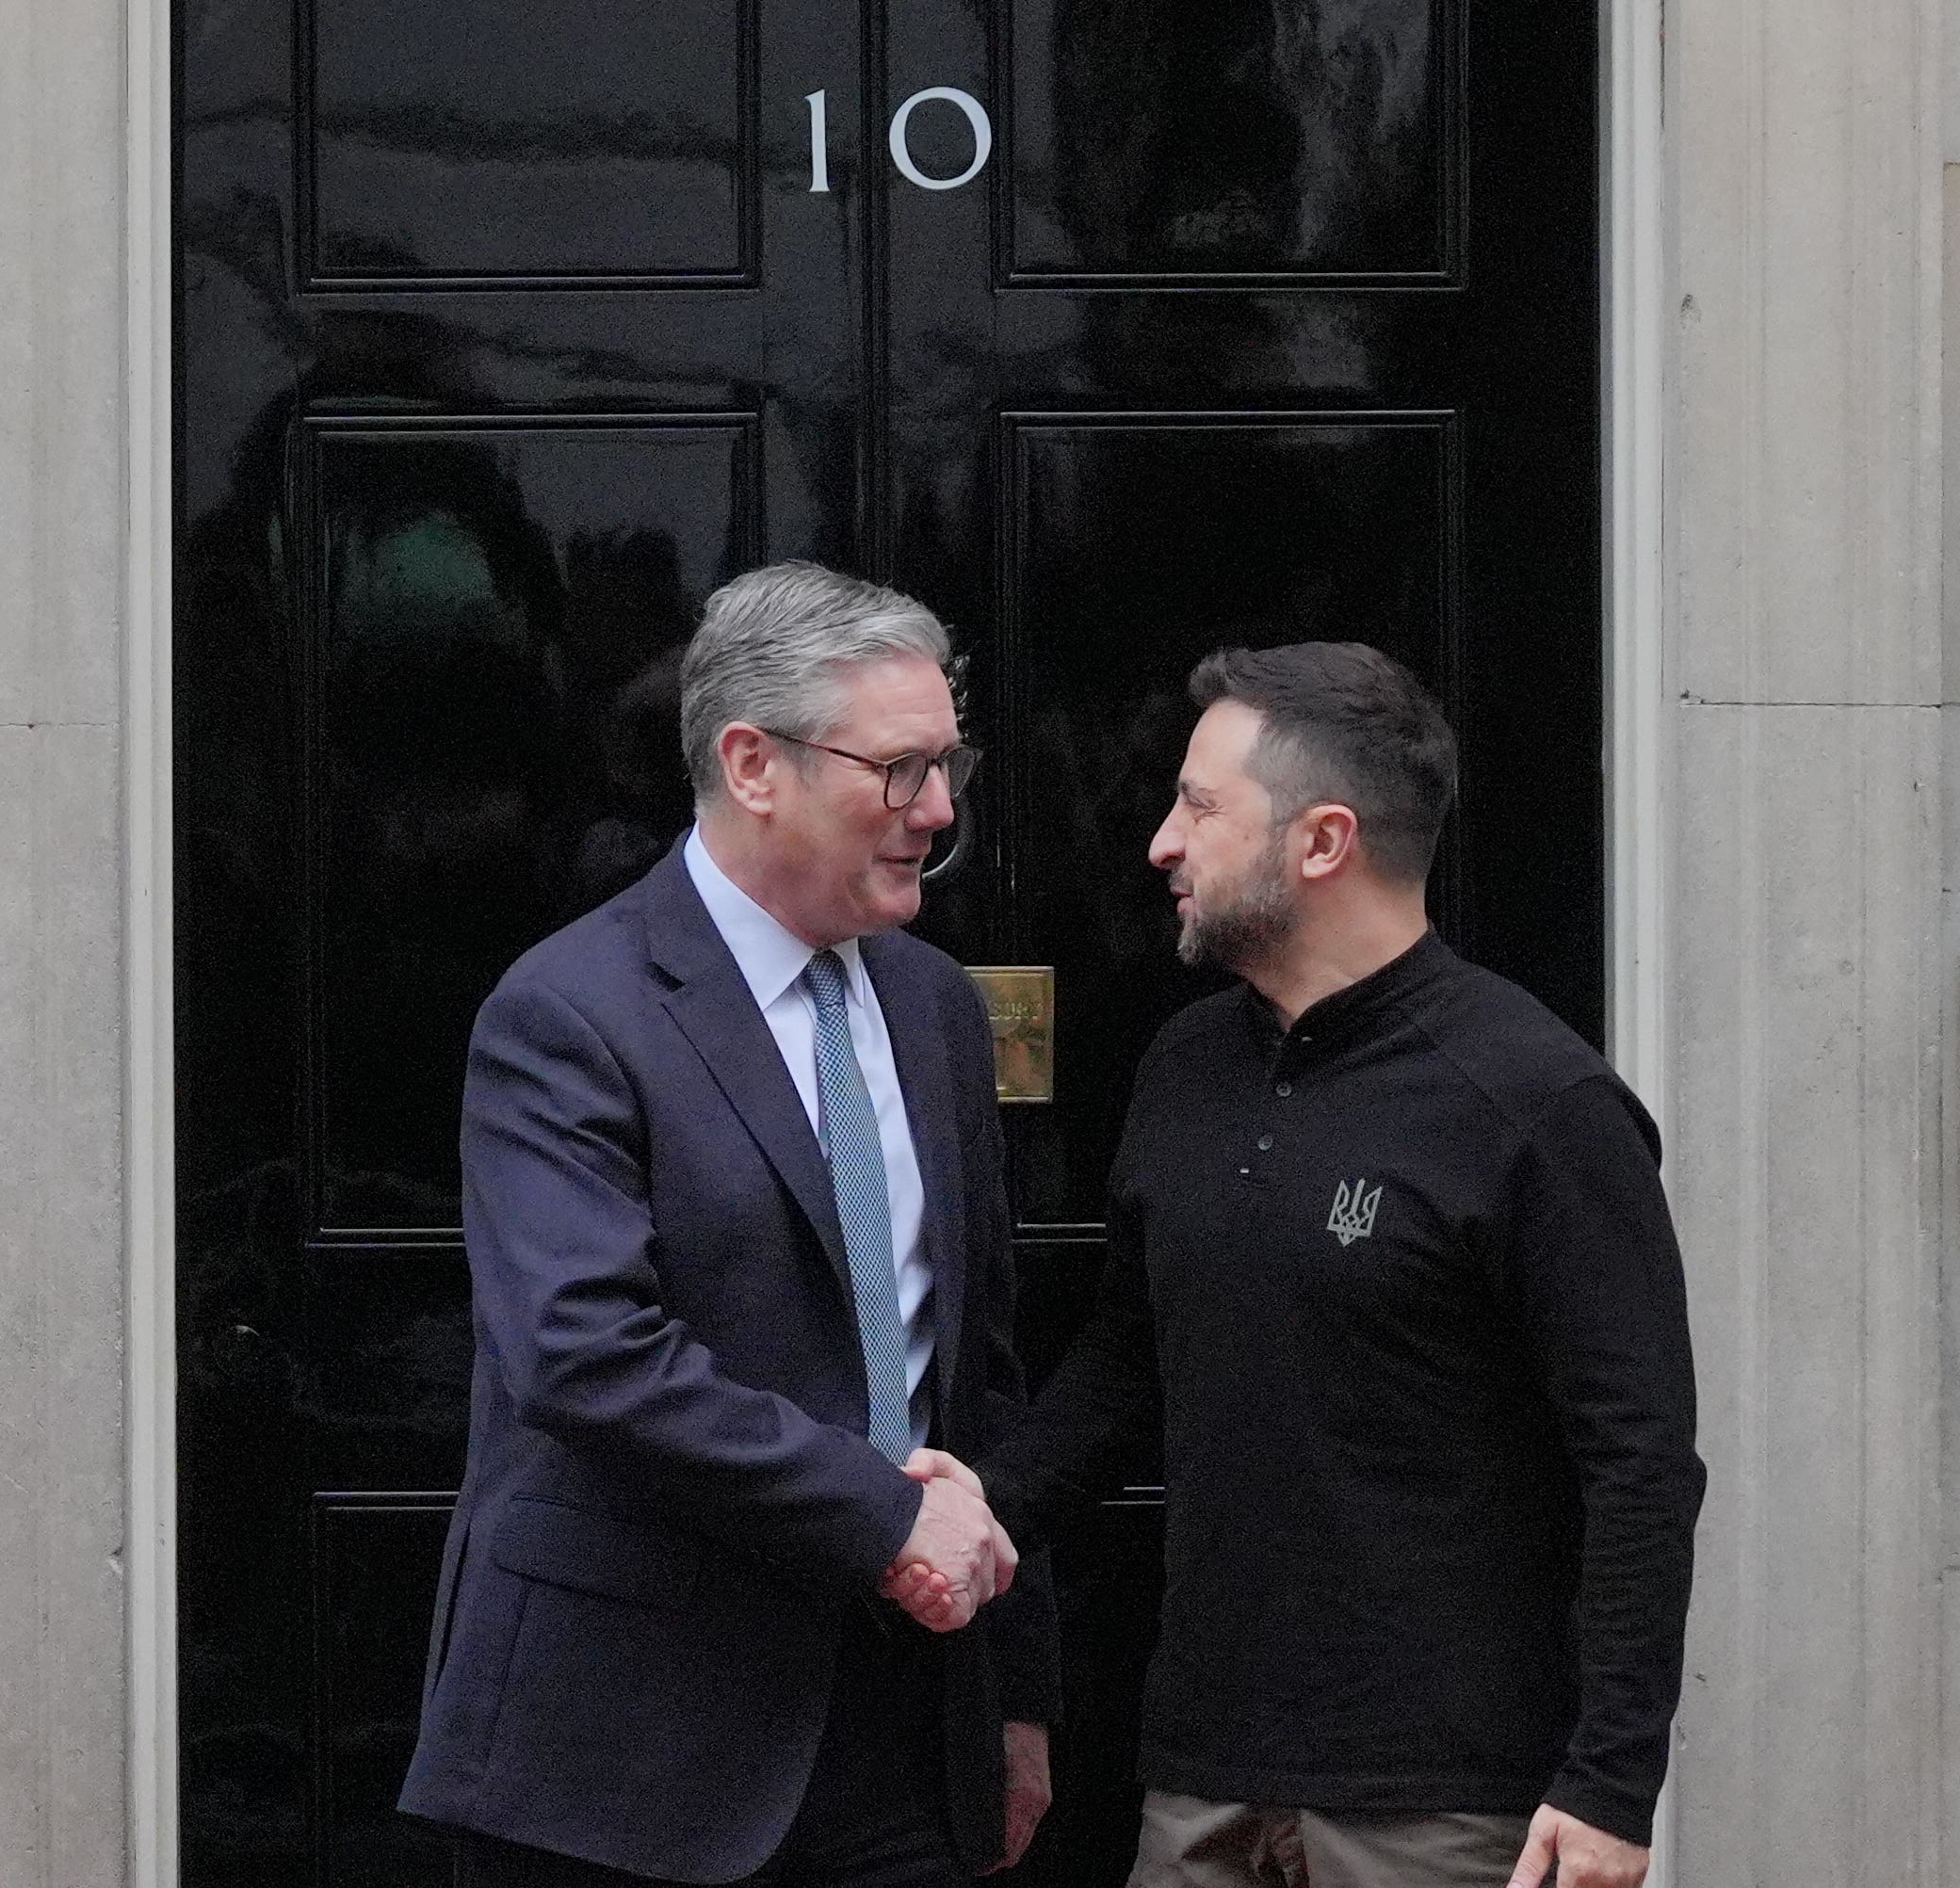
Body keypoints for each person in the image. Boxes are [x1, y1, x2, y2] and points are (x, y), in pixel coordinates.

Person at [889, 643, 1704, 1888]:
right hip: (1204, 1777)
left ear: (1323, 842)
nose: (1162, 841)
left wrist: (1609, 1782)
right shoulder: (1184, 1067)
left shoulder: (1537, 1104)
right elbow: (1126, 1367)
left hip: (1443, 1802)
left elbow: (1638, 1463)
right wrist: (973, 1512)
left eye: (1200, 807)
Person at [403, 562, 1058, 1887]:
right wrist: (878, 1512)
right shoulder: (571, 1014)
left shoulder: (935, 1008)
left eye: (948, 767)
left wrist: (1015, 1688)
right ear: (753, 764)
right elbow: (585, 1353)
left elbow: (977, 1371)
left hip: (900, 1735)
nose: (936, 810)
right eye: (900, 769)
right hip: (626, 1752)